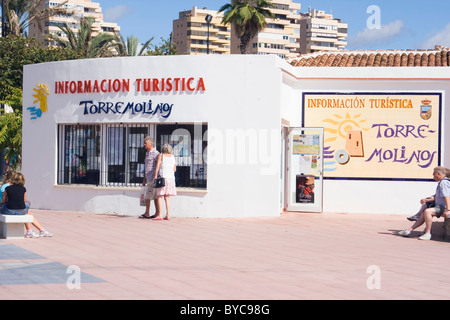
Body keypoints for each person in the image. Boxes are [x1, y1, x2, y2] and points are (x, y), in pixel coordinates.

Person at [398, 166, 450, 240]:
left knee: (427, 211)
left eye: (433, 174)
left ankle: (428, 233)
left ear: (438, 174)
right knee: (423, 214)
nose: (433, 176)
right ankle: (409, 231)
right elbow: (439, 197)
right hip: (440, 206)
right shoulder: (442, 183)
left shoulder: (444, 183)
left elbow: (447, 196)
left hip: (443, 207)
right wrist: (427, 200)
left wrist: (448, 210)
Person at [1, 171, 52, 238]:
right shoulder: (21, 188)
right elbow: (23, 200)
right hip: (16, 210)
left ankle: (34, 230)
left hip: (9, 209)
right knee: (26, 208)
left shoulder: (6, 187)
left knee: (23, 208)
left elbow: (4, 199)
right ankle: (35, 230)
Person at [153, 144, 177, 220]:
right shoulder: (173, 157)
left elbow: (157, 166)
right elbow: (174, 169)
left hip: (163, 178)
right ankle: (168, 215)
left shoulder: (161, 156)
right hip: (171, 179)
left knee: (159, 195)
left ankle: (160, 214)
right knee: (167, 197)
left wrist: (155, 176)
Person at [140, 137, 161, 219]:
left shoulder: (155, 153)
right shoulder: (147, 153)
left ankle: (148, 213)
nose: (144, 145)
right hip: (148, 177)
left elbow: (159, 165)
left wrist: (156, 176)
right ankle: (151, 212)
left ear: (150, 143)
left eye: (145, 143)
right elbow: (146, 167)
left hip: (153, 178)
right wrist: (144, 179)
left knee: (150, 196)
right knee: (149, 195)